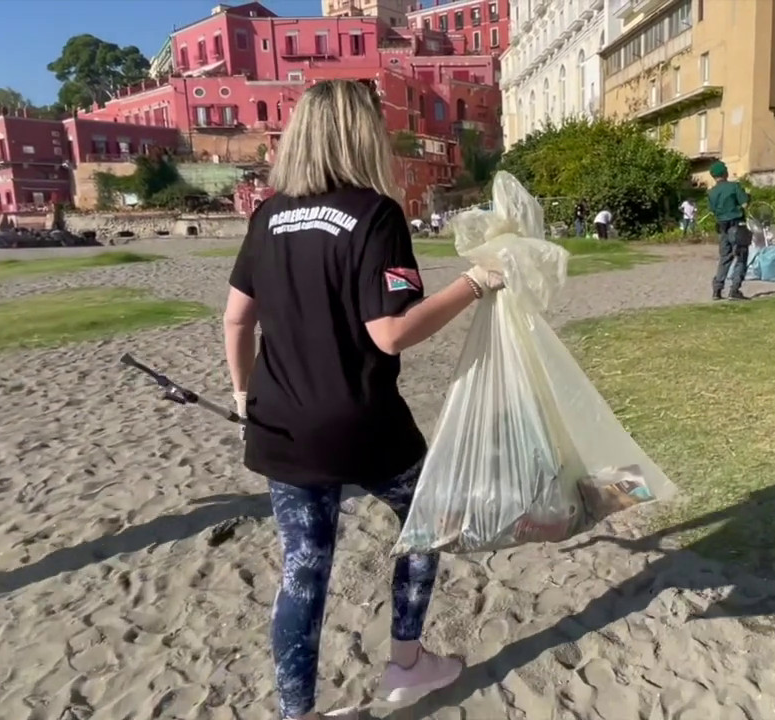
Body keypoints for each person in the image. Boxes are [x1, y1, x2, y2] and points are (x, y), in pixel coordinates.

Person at [222, 80, 503, 720]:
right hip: (360, 424)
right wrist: (473, 284)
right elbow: (392, 331)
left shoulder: (266, 215)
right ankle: (406, 662)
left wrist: (242, 394)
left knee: (303, 571)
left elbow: (237, 320)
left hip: (281, 426)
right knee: (428, 520)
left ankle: (297, 712)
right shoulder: (376, 214)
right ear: (360, 133)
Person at [707, 161, 750, 301]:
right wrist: (748, 196)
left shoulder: (712, 192)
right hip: (736, 224)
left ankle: (717, 289)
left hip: (722, 227)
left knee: (724, 258)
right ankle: (735, 289)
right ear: (725, 173)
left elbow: (712, 211)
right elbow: (745, 204)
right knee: (741, 256)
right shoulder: (734, 187)